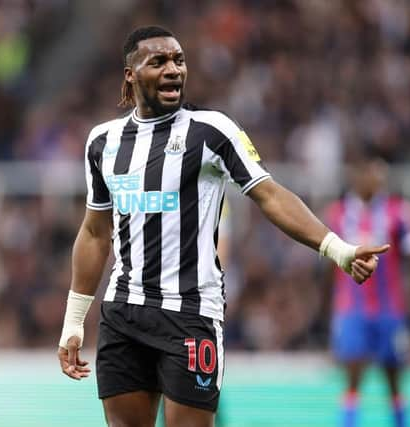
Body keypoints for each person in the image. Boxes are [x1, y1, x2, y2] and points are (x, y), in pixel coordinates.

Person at [57, 25, 389, 427]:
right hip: (123, 313)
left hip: (191, 313)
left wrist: (337, 249)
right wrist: (74, 321)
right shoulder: (103, 142)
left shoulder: (212, 130)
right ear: (130, 73)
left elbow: (270, 194)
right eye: (158, 61)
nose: (173, 70)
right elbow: (95, 232)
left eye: (178, 60)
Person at [322, 151, 410, 427]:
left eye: (381, 172)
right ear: (358, 175)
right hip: (351, 310)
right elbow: (326, 267)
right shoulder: (338, 213)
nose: (378, 178)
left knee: (394, 380)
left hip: (390, 309)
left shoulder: (400, 211)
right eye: (372, 171)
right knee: (352, 378)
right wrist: (328, 310)